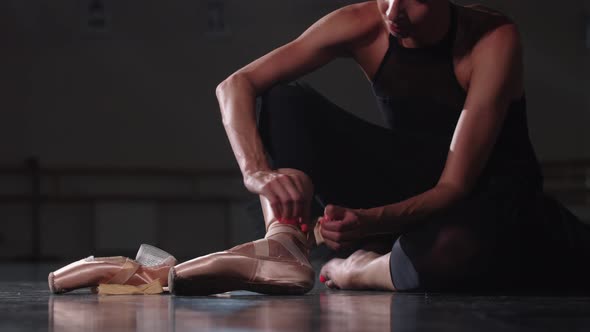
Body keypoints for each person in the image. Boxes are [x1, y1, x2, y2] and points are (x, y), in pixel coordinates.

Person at [169, 0, 590, 294]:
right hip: (412, 186)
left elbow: (454, 187)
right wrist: (256, 171)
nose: (393, 10)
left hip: (493, 199)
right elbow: (236, 85)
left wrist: (368, 223)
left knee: (452, 253)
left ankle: (361, 269)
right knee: (282, 102)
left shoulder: (493, 38)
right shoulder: (364, 22)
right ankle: (285, 245)